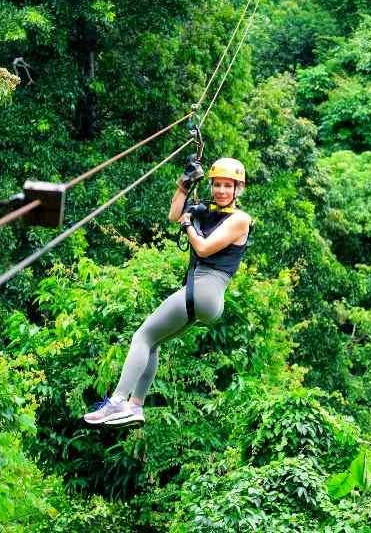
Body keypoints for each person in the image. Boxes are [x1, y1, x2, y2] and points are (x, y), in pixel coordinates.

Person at [83, 157, 252, 427]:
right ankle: (135, 406)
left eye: (227, 186)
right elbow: (174, 215)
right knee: (153, 342)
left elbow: (204, 248)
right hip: (202, 294)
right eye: (217, 185)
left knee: (141, 336)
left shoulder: (240, 219)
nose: (221, 190)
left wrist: (188, 225)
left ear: (238, 189)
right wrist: (184, 186)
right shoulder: (208, 210)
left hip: (206, 289)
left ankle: (117, 401)